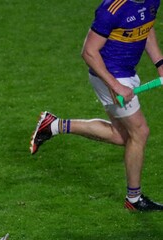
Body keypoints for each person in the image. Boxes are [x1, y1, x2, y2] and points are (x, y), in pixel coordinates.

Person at [30, 0, 163, 212]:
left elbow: (146, 26)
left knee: (123, 137)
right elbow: (89, 52)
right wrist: (115, 86)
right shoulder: (112, 9)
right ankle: (134, 198)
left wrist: (160, 63)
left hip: (126, 72)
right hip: (109, 75)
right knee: (140, 132)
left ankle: (53, 125)